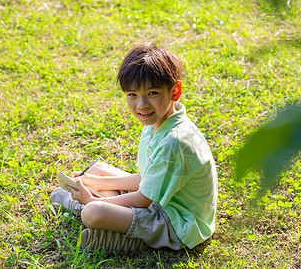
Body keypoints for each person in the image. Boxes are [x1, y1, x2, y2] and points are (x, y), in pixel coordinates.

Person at [50, 42, 218, 251]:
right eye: (132, 95)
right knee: (99, 170)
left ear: (175, 90)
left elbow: (143, 199)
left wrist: (91, 200)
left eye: (152, 93)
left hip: (178, 224)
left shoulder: (174, 142)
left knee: (93, 213)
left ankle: (128, 237)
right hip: (160, 200)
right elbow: (147, 178)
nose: (142, 105)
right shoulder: (158, 122)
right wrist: (99, 183)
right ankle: (108, 215)